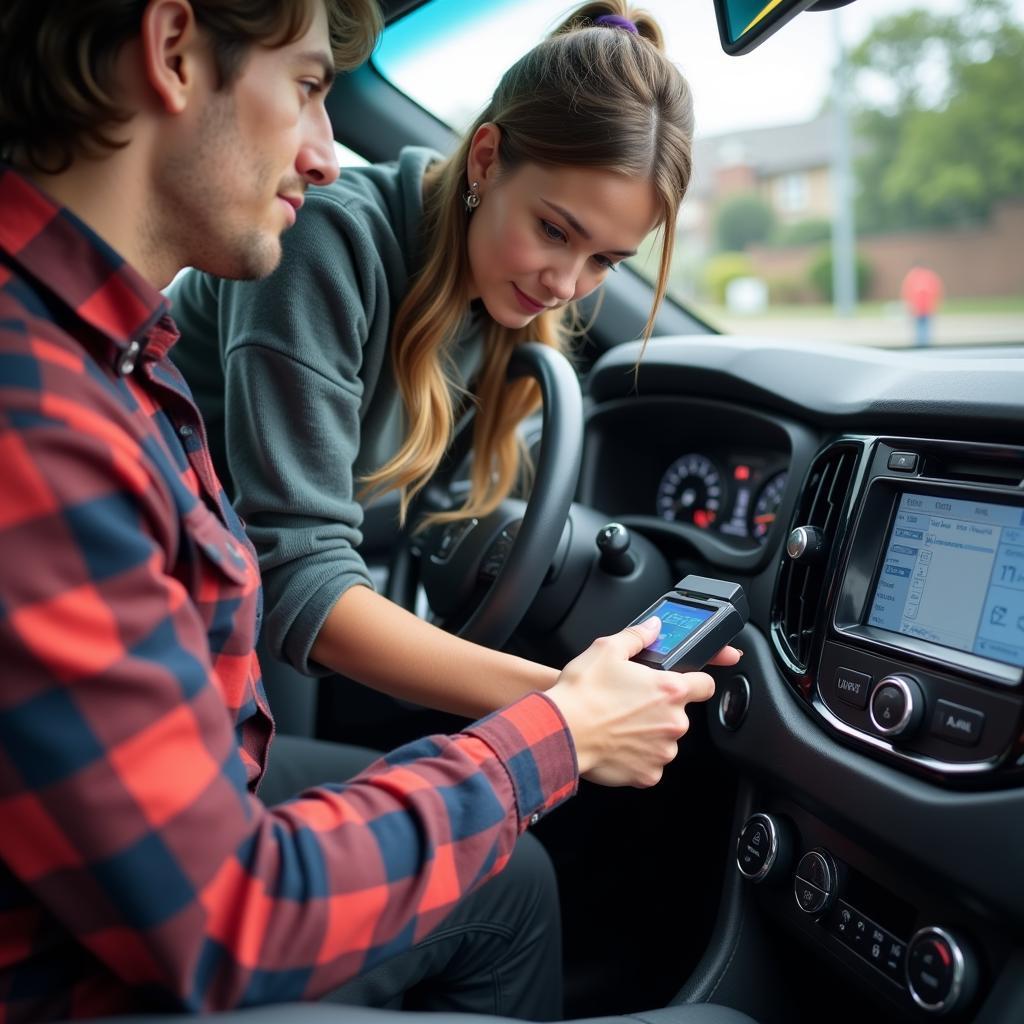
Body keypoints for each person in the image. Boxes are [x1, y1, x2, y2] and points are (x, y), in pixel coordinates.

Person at [0, 2, 737, 1022]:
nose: (320, 153)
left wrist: (575, 708)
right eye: (308, 87)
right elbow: (226, 913)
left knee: (514, 880)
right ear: (172, 51)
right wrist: (562, 717)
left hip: (209, 739)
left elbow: (410, 528)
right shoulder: (42, 411)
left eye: (604, 262)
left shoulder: (109, 353)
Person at [167, 0, 700, 727]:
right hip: (169, 618)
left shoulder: (495, 302)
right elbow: (300, 576)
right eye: (553, 230)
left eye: (604, 261)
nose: (565, 286)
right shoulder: (324, 240)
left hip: (243, 625)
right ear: (486, 158)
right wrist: (570, 705)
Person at [900, 265, 943, 347]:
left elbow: (906, 292)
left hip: (921, 309)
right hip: (922, 309)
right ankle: (923, 345)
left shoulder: (912, 277)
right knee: (923, 331)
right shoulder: (929, 276)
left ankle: (922, 346)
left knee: (921, 331)